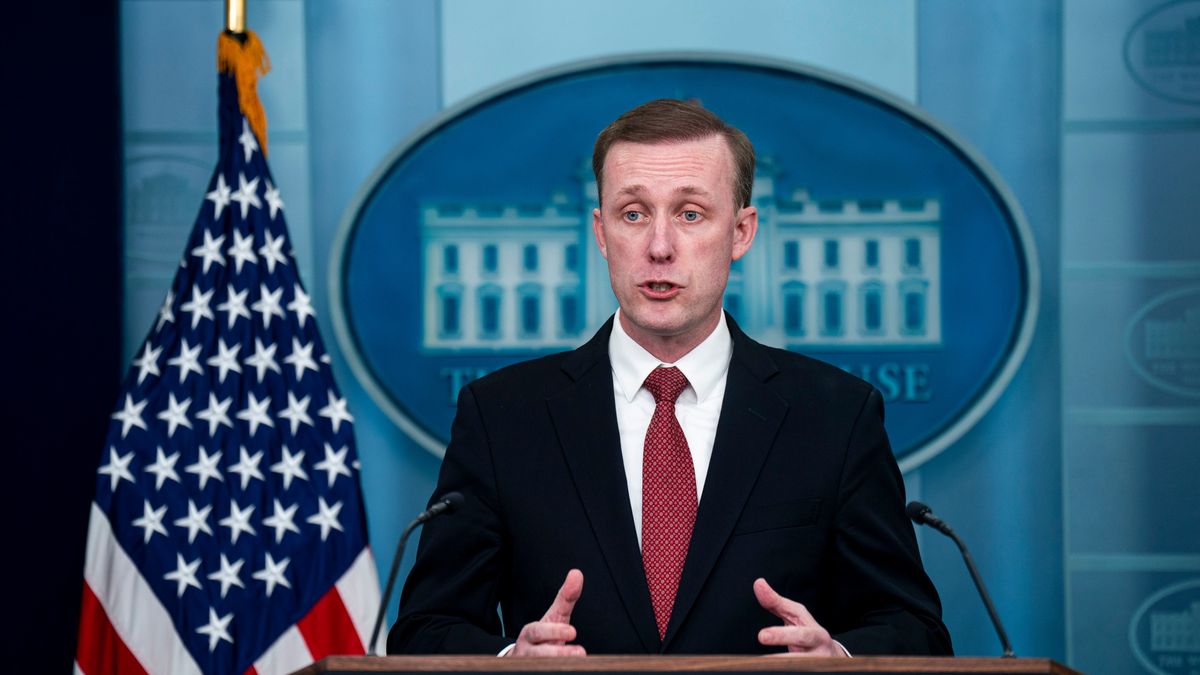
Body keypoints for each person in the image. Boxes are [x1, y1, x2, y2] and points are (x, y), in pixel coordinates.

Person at [387, 99, 952, 657]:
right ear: (602, 231)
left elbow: (915, 628)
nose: (659, 248)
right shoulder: (502, 416)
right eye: (633, 214)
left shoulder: (836, 415)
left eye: (690, 214)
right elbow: (424, 630)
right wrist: (512, 662)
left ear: (741, 232)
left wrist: (840, 661)